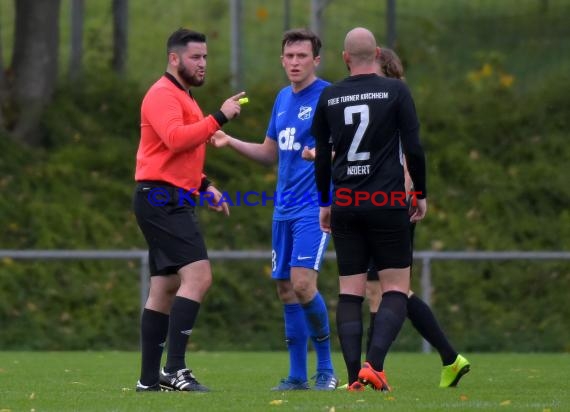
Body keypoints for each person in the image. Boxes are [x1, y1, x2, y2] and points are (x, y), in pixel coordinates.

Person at [209, 28, 338, 391]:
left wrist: (323, 156)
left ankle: (326, 369)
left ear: (316, 59)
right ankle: (297, 376)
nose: (295, 62)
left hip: (314, 206)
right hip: (281, 209)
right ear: (282, 60)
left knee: (302, 283)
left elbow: (347, 150)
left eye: (302, 56)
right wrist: (228, 139)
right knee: (285, 289)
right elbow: (270, 154)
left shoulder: (328, 96)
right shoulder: (283, 98)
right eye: (290, 56)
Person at [312, 27, 427, 392]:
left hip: (345, 202)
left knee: (350, 292)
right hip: (387, 201)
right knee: (395, 288)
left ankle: (352, 380)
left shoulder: (329, 96)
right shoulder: (395, 90)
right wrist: (420, 193)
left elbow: (322, 161)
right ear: (376, 54)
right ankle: (373, 365)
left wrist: (325, 203)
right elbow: (414, 148)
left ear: (344, 58)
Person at [132, 28, 245, 392]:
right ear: (174, 58)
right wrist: (220, 117)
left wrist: (205, 185)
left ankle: (149, 380)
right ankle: (176, 370)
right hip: (160, 198)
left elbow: (181, 154)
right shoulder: (163, 93)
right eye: (196, 57)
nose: (202, 64)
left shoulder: (185, 97)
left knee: (164, 287)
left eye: (206, 57)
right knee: (199, 276)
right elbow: (175, 139)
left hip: (172, 195)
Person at [364, 48, 470, 389]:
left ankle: (371, 371)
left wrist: (408, 193)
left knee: (383, 289)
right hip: (379, 204)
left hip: (393, 205)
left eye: (372, 71)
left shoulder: (393, 102)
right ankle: (449, 358)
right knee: (388, 289)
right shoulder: (380, 102)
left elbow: (409, 152)